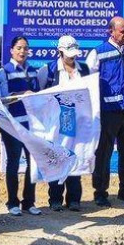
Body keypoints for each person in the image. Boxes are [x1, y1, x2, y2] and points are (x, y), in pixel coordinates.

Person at [86, 17, 124, 207]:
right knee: (104, 153)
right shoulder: (98, 53)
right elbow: (89, 82)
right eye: (122, 31)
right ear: (111, 31)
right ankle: (100, 193)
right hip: (108, 111)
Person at [38, 35, 90, 211]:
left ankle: (74, 199)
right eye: (69, 54)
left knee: (75, 157)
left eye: (74, 54)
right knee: (57, 159)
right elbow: (40, 96)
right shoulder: (48, 71)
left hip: (77, 122)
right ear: (59, 52)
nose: (72, 57)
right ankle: (55, 199)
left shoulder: (84, 70)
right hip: (56, 124)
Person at [0, 36, 40, 216]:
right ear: (11, 50)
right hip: (12, 126)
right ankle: (12, 202)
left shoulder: (33, 71)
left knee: (33, 163)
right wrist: (22, 94)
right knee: (13, 163)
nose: (22, 51)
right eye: (19, 48)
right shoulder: (4, 71)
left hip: (31, 125)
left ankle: (29, 202)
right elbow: (2, 99)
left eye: (25, 48)